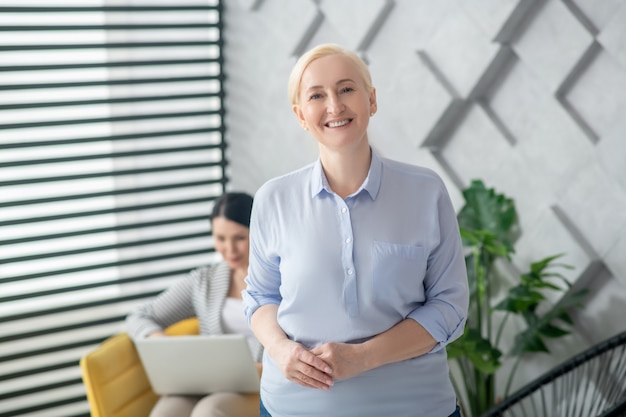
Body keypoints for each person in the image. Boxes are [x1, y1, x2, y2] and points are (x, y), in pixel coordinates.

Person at [241, 43, 469, 417]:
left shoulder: (426, 191)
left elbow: (449, 306)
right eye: (317, 95)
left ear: (371, 100)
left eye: (346, 89)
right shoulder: (273, 199)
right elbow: (260, 295)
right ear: (301, 114)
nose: (334, 106)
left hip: (415, 407)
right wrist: (281, 351)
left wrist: (361, 357)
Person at [126, 191, 262, 417]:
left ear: (258, 233)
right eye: (220, 238)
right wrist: (159, 340)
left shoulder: (281, 283)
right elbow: (139, 316)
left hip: (260, 385)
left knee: (209, 413)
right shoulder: (203, 281)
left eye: (239, 238)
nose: (229, 249)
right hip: (207, 381)